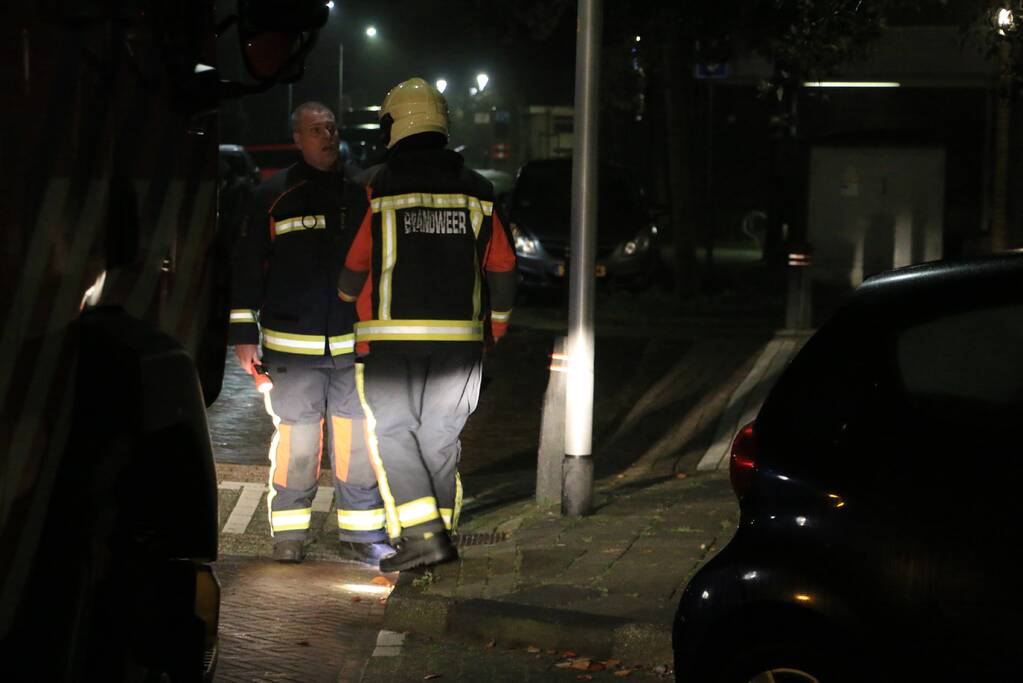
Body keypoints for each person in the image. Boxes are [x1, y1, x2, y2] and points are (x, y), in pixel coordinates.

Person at [337, 78, 517, 572]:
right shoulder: (479, 190)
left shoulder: (376, 187)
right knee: (439, 438)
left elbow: (354, 265)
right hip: (460, 343)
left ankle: (424, 537)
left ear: (394, 125)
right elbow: (502, 267)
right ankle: (439, 539)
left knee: (395, 433)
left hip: (391, 343)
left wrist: (347, 294)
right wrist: (498, 325)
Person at [229, 101, 391, 565]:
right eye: (316, 129)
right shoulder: (273, 195)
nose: (327, 136)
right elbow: (247, 266)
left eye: (331, 128)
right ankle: (289, 533)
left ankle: (361, 531)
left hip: (352, 346)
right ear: (297, 139)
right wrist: (243, 333)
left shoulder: (360, 194)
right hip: (292, 348)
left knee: (357, 443)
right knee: (298, 445)